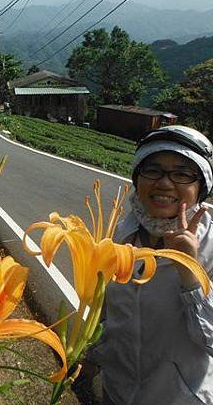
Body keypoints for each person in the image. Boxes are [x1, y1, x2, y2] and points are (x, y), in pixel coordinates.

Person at [90, 125, 213, 404]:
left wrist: (189, 269)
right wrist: (91, 357)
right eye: (153, 170)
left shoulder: (211, 244)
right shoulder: (121, 232)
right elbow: (105, 310)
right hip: (116, 391)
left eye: (182, 174)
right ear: (138, 178)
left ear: (200, 188)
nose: (165, 184)